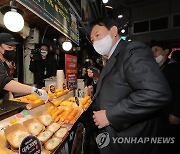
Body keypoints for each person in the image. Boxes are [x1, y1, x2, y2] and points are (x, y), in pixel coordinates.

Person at [90, 18, 172, 154]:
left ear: (114, 31)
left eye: (97, 35)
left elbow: (156, 92)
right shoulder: (112, 58)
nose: (95, 42)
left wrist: (111, 115)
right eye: (92, 40)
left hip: (131, 141)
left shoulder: (131, 50)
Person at [0, 32, 48, 102]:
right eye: (9, 47)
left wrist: (11, 98)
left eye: (14, 49)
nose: (12, 51)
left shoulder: (4, 64)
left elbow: (7, 86)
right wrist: (34, 90)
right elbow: (5, 83)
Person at [161, 50, 180, 154]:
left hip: (170, 112)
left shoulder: (175, 68)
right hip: (163, 112)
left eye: (156, 50)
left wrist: (176, 112)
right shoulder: (164, 66)